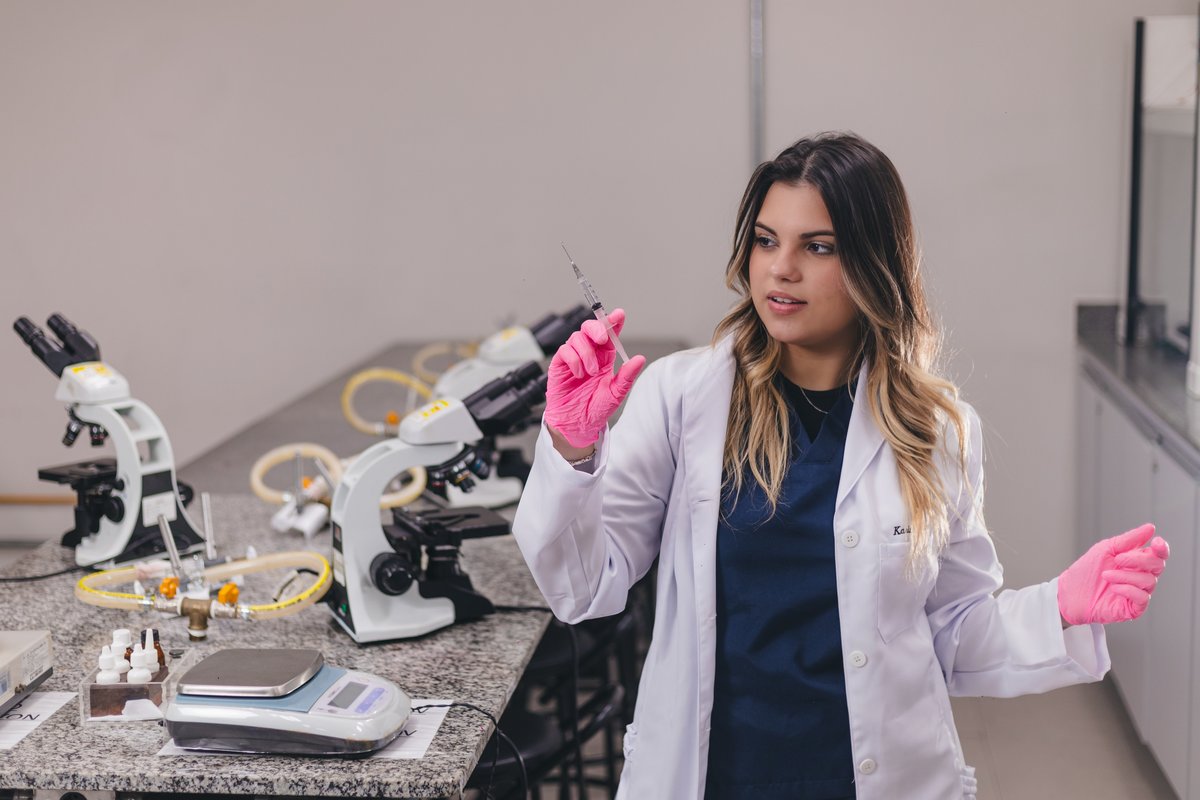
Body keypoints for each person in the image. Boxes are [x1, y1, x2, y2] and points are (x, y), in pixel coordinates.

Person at [511, 132, 1170, 800]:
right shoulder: (682, 398)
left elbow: (952, 633)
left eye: (816, 246)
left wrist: (1058, 606)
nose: (780, 268)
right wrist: (570, 446)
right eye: (766, 240)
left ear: (873, 263)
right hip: (714, 778)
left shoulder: (936, 431)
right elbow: (584, 585)